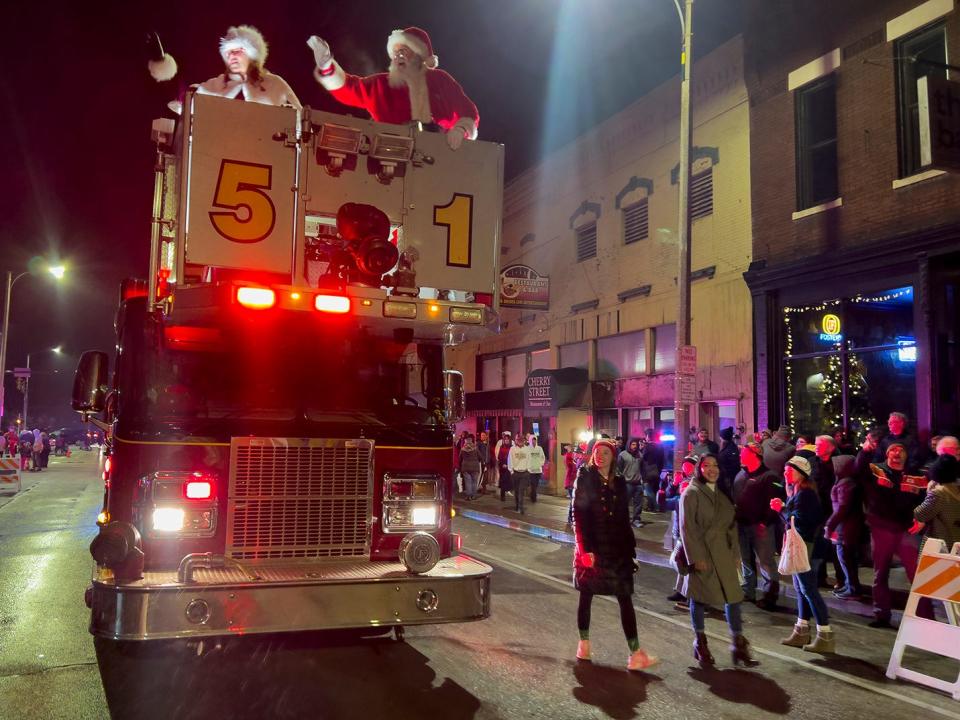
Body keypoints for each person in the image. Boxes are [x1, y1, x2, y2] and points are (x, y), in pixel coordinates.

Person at [308, 27, 478, 150]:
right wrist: (327, 65)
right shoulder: (382, 84)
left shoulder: (440, 80)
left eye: (405, 50)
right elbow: (350, 88)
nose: (399, 55)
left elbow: (468, 112)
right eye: (396, 52)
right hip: (391, 159)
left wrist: (460, 130)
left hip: (438, 156)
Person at [573, 438, 658, 670]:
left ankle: (635, 652)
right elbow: (578, 516)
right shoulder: (585, 477)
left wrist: (630, 552)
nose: (600, 456)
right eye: (597, 452)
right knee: (586, 594)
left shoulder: (619, 482)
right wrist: (583, 550)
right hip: (592, 547)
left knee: (625, 597)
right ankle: (584, 643)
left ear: (613, 458)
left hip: (617, 548)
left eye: (606, 453)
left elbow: (623, 519)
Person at [680, 453, 756, 667]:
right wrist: (695, 558)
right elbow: (688, 529)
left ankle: (738, 643)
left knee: (733, 598)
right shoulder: (691, 493)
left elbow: (731, 527)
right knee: (698, 598)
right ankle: (700, 642)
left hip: (723, 553)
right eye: (707, 465)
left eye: (715, 465)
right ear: (699, 469)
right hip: (703, 553)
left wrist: (735, 555)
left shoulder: (721, 495)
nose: (712, 469)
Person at [772, 456, 835, 653]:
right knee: (801, 589)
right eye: (784, 469)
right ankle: (801, 630)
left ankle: (824, 634)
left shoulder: (805, 494)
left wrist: (780, 509)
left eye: (789, 470)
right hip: (806, 546)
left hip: (809, 547)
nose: (785, 473)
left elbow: (800, 522)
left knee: (808, 589)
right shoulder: (798, 492)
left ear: (801, 473)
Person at [858, 441, 924, 628]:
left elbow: (925, 499)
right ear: (887, 454)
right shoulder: (876, 470)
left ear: (906, 455)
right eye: (893, 450)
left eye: (901, 450)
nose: (896, 453)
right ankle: (881, 615)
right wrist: (865, 450)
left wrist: (922, 519)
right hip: (881, 530)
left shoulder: (916, 476)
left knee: (917, 576)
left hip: (906, 530)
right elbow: (859, 470)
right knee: (880, 574)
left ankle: (925, 617)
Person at [194, 26, 301, 108]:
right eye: (228, 53)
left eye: (236, 51)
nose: (231, 56)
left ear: (251, 54)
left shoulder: (274, 84)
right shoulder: (212, 86)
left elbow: (299, 121)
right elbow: (190, 120)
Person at [733, 441, 782, 610]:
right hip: (742, 525)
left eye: (744, 454)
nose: (741, 456)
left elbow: (775, 502)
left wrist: (765, 522)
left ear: (755, 455)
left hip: (760, 526)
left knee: (766, 561)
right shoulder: (741, 475)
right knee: (746, 560)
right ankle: (749, 590)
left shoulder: (770, 477)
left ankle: (770, 595)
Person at [824, 455, 865, 599]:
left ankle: (853, 588)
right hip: (846, 526)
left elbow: (842, 507)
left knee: (845, 557)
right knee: (846, 558)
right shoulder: (846, 482)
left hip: (846, 527)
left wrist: (830, 525)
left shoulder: (846, 483)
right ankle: (849, 585)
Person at [666, 454, 698, 607]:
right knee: (680, 560)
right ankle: (680, 591)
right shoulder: (681, 479)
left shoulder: (698, 482)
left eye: (690, 465)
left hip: (690, 528)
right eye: (685, 464)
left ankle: (690, 594)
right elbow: (667, 497)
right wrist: (673, 485)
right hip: (678, 524)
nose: (686, 467)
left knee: (684, 561)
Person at [618, 439, 644, 528]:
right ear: (629, 445)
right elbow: (619, 469)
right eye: (633, 444)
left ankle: (636, 519)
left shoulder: (640, 455)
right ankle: (623, 519)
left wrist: (642, 479)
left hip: (638, 483)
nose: (635, 446)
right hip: (627, 483)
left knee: (638, 503)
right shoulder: (623, 455)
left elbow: (642, 468)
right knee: (624, 503)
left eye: (636, 444)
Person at [640, 429, 665, 512]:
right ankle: (651, 507)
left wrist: (642, 449)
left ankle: (656, 506)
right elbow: (662, 460)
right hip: (657, 471)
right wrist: (660, 470)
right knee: (654, 489)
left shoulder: (647, 447)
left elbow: (643, 458)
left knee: (648, 489)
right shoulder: (660, 446)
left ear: (648, 436)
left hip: (648, 471)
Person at [508, 434, 533, 515]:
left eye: (521, 440)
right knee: (516, 490)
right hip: (516, 472)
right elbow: (510, 459)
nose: (520, 442)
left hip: (524, 473)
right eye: (518, 440)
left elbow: (529, 459)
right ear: (516, 441)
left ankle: (521, 507)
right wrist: (511, 470)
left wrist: (528, 470)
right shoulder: (512, 449)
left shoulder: (527, 449)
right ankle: (517, 505)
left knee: (521, 490)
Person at [458, 434, 481, 500]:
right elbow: (480, 457)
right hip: (475, 467)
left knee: (468, 482)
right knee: (474, 482)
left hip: (465, 467)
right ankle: (473, 495)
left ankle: (468, 496)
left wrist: (460, 466)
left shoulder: (463, 449)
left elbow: (460, 458)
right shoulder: (475, 448)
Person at [494, 431, 513, 502]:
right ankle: (502, 496)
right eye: (505, 439)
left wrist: (509, 465)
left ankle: (508, 491)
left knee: (508, 480)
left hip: (509, 466)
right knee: (503, 481)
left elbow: (512, 457)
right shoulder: (501, 447)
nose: (506, 441)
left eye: (508, 439)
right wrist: (502, 464)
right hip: (502, 467)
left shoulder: (512, 448)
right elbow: (499, 457)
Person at [527, 434, 546, 503]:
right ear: (530, 441)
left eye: (535, 441)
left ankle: (533, 495)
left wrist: (540, 464)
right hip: (531, 471)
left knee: (536, 484)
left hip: (538, 470)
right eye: (532, 441)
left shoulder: (539, 448)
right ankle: (533, 497)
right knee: (533, 484)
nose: (534, 442)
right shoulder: (528, 448)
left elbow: (543, 457)